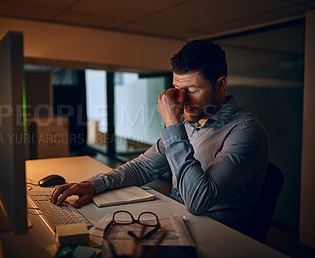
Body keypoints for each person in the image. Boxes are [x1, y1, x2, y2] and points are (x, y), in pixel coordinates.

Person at [51, 40, 268, 232]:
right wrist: (93, 185)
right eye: (176, 88)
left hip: (215, 236)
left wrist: (173, 124)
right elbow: (143, 166)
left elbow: (198, 201)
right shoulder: (188, 124)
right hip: (175, 221)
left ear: (221, 84)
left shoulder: (246, 132)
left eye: (192, 90)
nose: (182, 100)